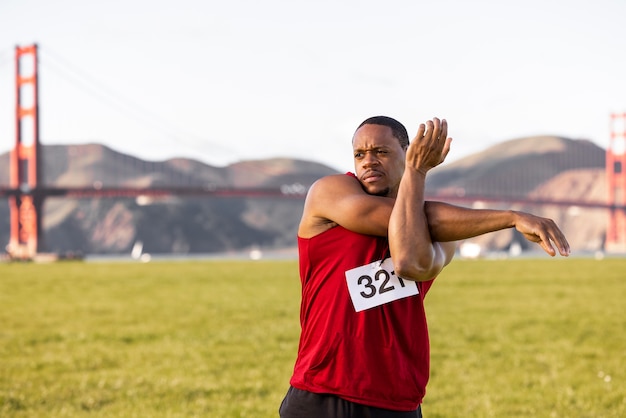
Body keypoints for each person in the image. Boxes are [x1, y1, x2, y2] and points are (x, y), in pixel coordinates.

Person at [279, 116, 570, 418]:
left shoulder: (444, 233)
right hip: (322, 393)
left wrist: (415, 176)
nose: (368, 162)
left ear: (407, 153)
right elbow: (414, 218)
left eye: (381, 151)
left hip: (398, 399)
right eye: (359, 154)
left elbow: (410, 261)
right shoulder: (330, 192)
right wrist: (509, 217)